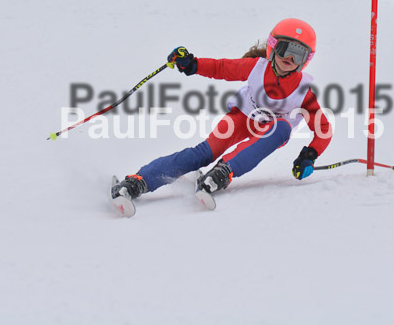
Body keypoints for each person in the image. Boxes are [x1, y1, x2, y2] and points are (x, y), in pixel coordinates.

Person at [111, 18, 332, 207]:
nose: (290, 59)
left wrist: (309, 155)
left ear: (306, 60)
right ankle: (139, 181)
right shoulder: (256, 66)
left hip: (270, 130)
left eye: (298, 55)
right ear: (273, 46)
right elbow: (221, 68)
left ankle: (224, 171)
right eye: (285, 49)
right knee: (203, 153)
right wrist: (192, 64)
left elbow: (323, 128)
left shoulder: (303, 92)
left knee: (282, 128)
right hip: (242, 118)